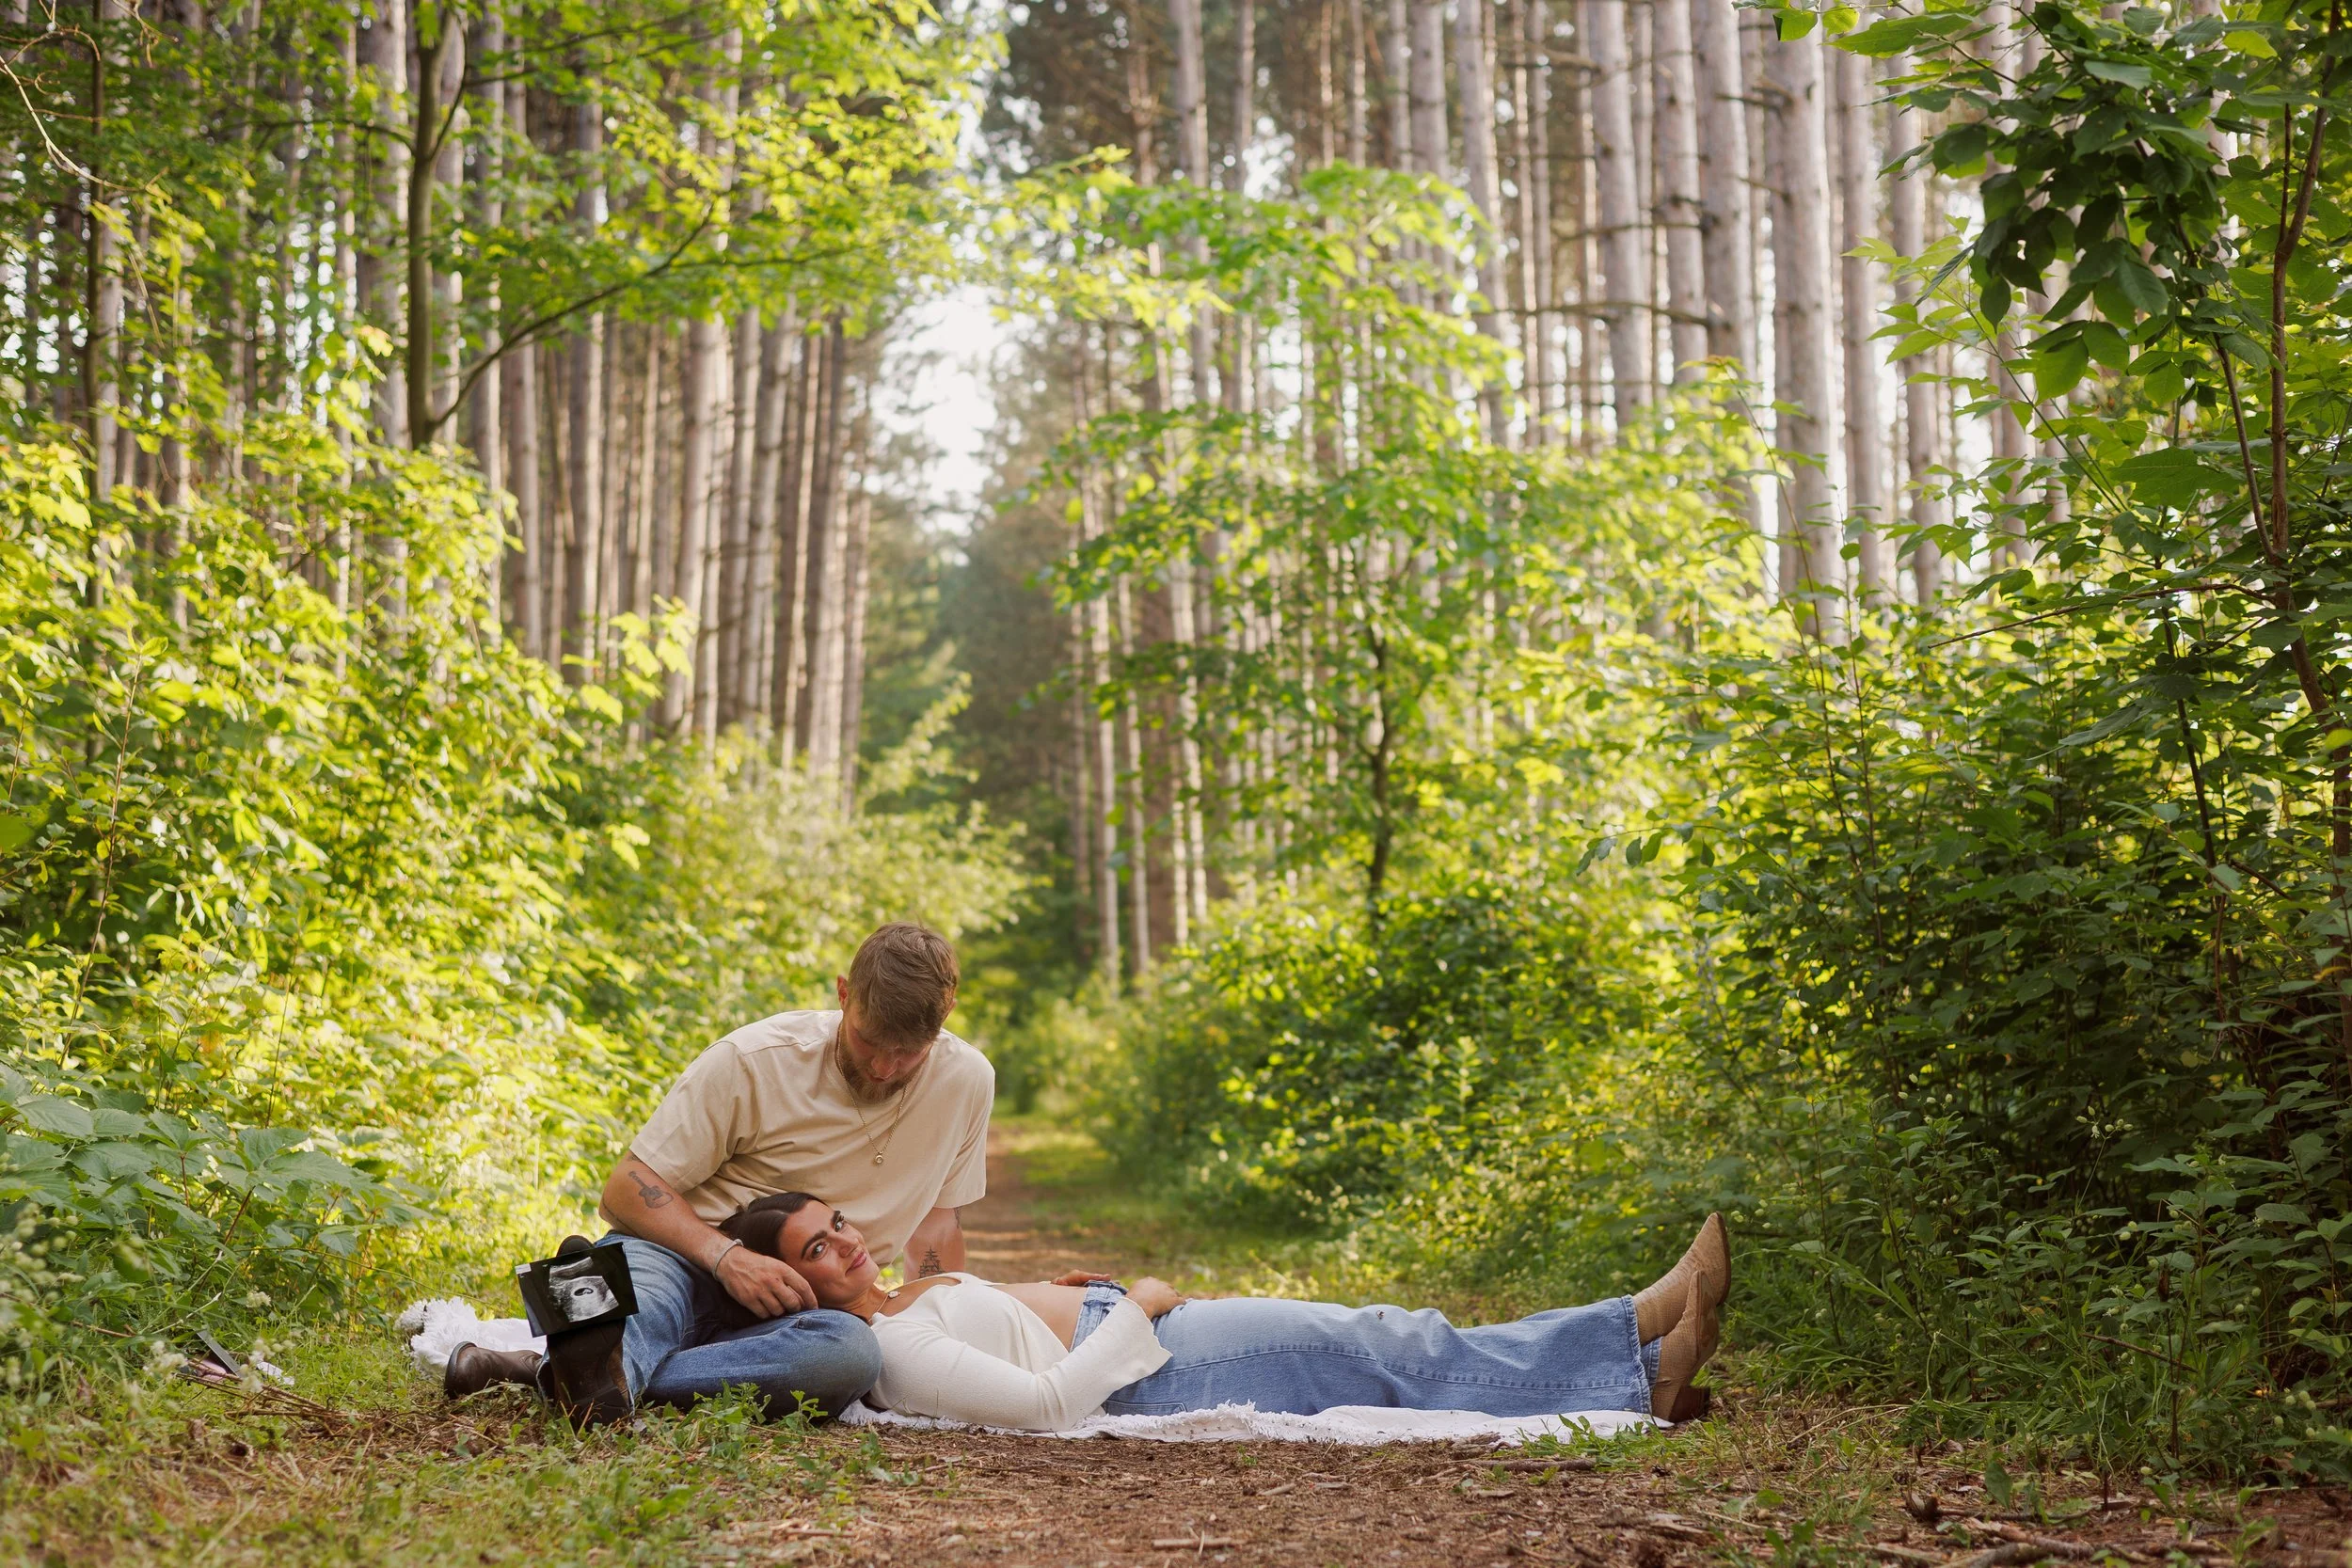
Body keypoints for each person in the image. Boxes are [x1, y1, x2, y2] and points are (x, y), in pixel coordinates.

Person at [441, 922, 994, 1425]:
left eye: (908, 1053)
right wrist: (726, 1258)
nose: (884, 1068)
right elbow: (623, 1189)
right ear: (844, 994)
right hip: (680, 1258)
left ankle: (562, 1371)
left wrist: (939, 1322)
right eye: (868, 1041)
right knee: (645, 1303)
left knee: (851, 1355)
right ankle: (587, 1333)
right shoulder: (754, 1059)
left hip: (807, 1307)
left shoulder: (967, 1082)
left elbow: (938, 1225)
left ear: (945, 1018)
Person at [718, 1193, 1731, 1432]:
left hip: (1137, 1333)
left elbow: (1005, 1328)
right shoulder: (886, 1344)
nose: (845, 1241)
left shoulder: (903, 1296)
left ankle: (1640, 1371)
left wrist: (1056, 1291)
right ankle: (1629, 1332)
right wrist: (1137, 1306)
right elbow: (1046, 1405)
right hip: (1154, 1366)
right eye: (816, 1249)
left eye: (836, 1221)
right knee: (1381, 1340)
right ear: (789, 1284)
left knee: (1379, 1342)